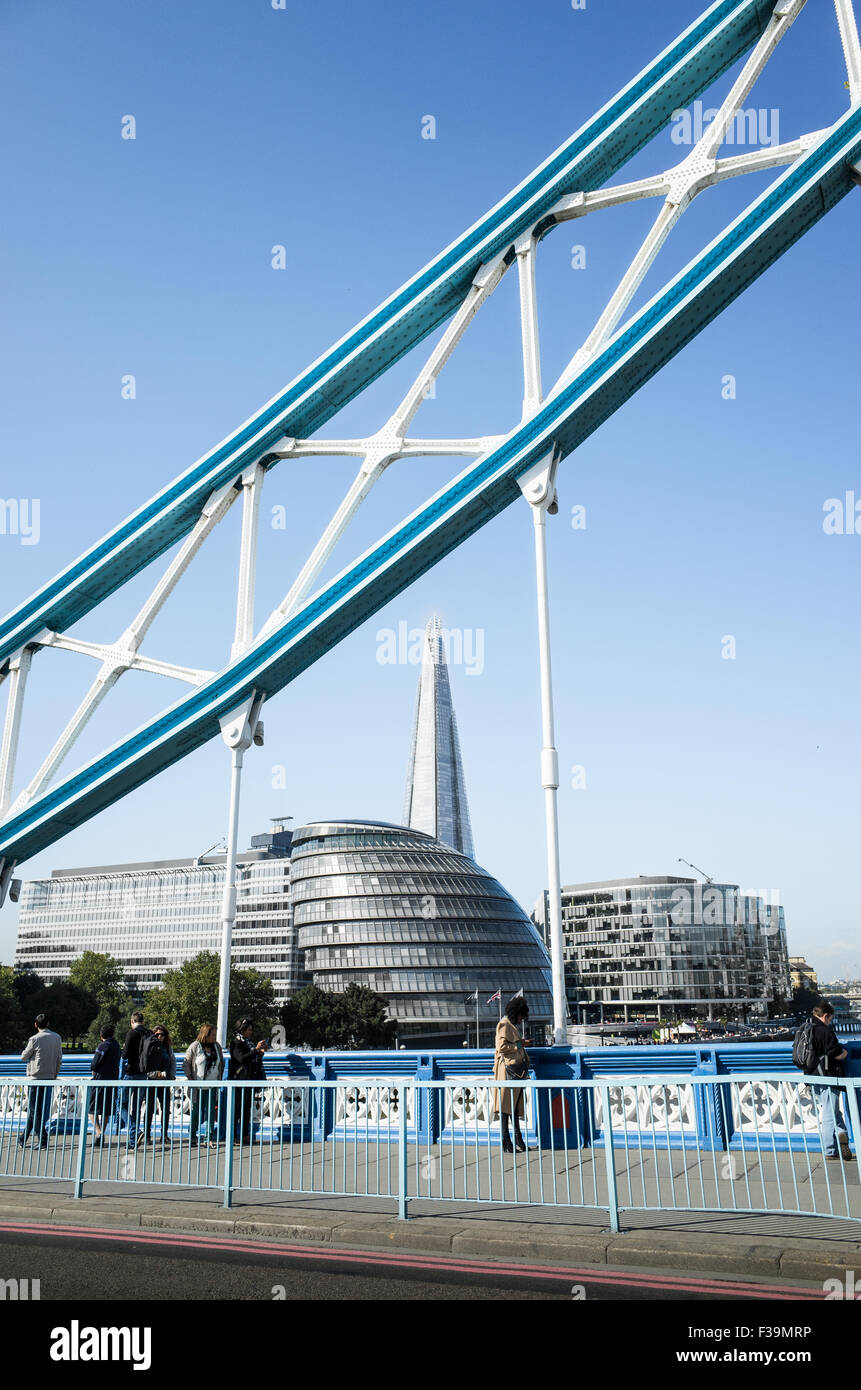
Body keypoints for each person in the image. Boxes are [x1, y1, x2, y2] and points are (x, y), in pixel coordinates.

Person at [809, 1002, 851, 1160]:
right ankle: (830, 1150)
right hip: (827, 1075)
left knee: (831, 1109)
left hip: (811, 1075)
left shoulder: (805, 1027)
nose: (830, 1022)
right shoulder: (823, 1030)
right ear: (825, 1015)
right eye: (830, 1018)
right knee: (828, 1113)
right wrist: (845, 1053)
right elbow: (836, 1053)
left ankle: (841, 1133)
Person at [19, 1013, 62, 1149]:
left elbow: (23, 1057)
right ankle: (23, 1137)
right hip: (50, 1077)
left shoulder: (34, 1039)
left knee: (34, 1109)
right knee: (38, 1110)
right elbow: (59, 1059)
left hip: (35, 1078)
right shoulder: (57, 1038)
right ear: (48, 1024)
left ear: (35, 1025)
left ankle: (42, 1139)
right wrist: (55, 1074)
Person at [493, 996, 530, 1153]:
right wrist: (521, 1044)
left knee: (513, 1106)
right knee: (506, 1106)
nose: (521, 1020)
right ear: (516, 1013)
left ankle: (517, 1138)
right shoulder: (504, 1024)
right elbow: (501, 1047)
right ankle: (506, 1140)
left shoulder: (509, 1025)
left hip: (516, 1071)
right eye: (521, 1016)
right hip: (507, 1071)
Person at [135, 1024, 176, 1149]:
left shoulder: (167, 1047)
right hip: (152, 1080)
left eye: (162, 1034)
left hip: (165, 1081)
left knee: (165, 1108)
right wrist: (153, 1074)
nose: (159, 1036)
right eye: (156, 1034)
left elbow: (172, 1060)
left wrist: (171, 1075)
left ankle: (164, 1134)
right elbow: (144, 1063)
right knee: (150, 1108)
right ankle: (147, 1135)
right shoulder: (149, 1045)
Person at [183, 1024, 224, 1147]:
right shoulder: (195, 1046)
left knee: (211, 1113)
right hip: (198, 1086)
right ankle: (192, 1136)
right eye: (213, 1035)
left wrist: (219, 1079)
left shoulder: (217, 1047)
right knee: (196, 1112)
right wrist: (191, 1080)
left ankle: (208, 1138)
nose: (215, 1037)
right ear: (206, 1034)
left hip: (212, 1085)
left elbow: (221, 1063)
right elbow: (186, 1064)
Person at [228, 1018, 266, 1143]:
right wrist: (255, 1050)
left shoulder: (248, 1042)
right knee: (237, 1109)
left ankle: (245, 1135)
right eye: (248, 1029)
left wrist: (259, 1053)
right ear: (242, 1029)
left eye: (251, 1029)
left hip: (249, 1078)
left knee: (246, 1109)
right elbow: (241, 1058)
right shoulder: (236, 1042)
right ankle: (233, 1136)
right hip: (239, 1079)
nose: (251, 1032)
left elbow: (252, 1059)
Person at [121, 1011, 151, 1148]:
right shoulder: (149, 1033)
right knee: (137, 1107)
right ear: (143, 1021)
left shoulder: (131, 1033)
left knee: (121, 1104)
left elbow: (125, 1055)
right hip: (144, 1074)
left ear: (132, 1021)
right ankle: (133, 1141)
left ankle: (135, 1131)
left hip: (131, 1073)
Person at [90, 1023, 121, 1144]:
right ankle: (102, 1132)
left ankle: (98, 1133)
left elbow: (94, 1063)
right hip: (112, 1079)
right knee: (106, 1110)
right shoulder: (116, 1046)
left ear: (101, 1034)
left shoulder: (102, 1046)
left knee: (92, 1110)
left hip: (100, 1079)